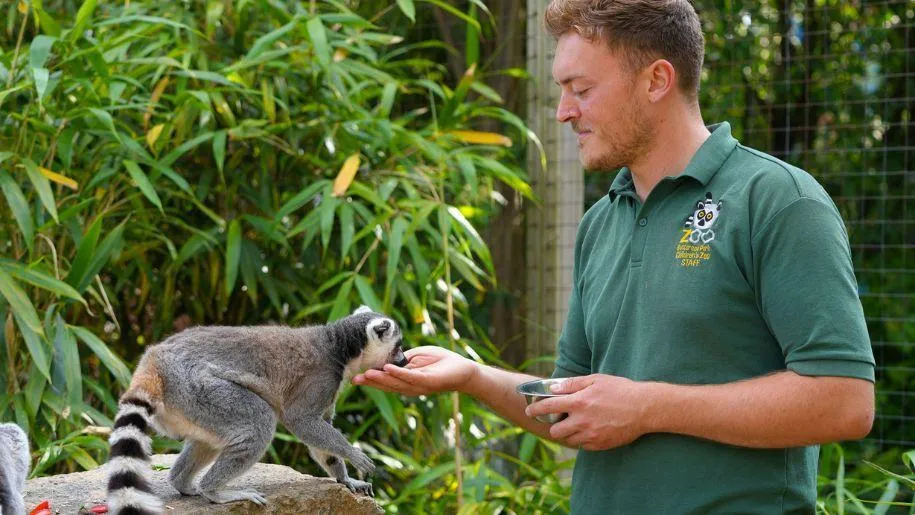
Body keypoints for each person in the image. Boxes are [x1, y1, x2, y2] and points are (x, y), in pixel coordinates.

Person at [354, 0, 876, 512]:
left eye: (581, 90)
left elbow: (845, 400)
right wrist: (471, 376)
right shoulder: (600, 222)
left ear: (656, 80)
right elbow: (572, 409)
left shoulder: (778, 199)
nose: (563, 111)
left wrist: (647, 407)